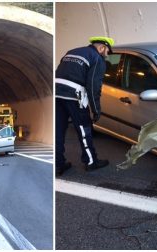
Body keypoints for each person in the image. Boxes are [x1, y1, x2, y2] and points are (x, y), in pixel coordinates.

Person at [55, 36, 114, 176]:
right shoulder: (97, 58)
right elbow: (93, 86)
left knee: (58, 130)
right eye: (108, 52)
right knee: (84, 129)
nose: (107, 55)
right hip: (74, 96)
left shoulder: (71, 52)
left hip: (57, 93)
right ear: (102, 48)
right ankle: (91, 161)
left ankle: (58, 164)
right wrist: (96, 109)